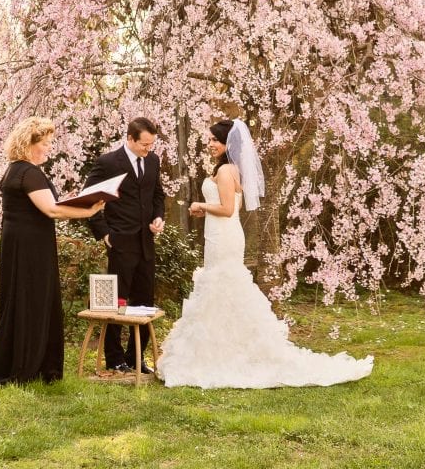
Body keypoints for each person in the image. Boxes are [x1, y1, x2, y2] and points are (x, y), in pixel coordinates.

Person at [158, 118, 374, 389]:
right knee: (221, 286)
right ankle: (225, 348)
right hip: (220, 234)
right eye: (209, 139)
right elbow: (229, 207)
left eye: (215, 140)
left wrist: (201, 205)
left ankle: (225, 354)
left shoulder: (225, 171)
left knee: (222, 284)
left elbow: (227, 209)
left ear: (228, 143)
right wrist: (206, 210)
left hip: (224, 238)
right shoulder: (229, 169)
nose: (210, 144)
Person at [0, 117, 103, 385]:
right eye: (45, 143)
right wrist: (88, 211)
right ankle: (29, 365)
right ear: (29, 144)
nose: (49, 148)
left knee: (21, 300)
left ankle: (20, 360)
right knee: (35, 300)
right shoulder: (29, 173)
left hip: (17, 243)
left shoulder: (13, 170)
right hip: (31, 245)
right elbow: (51, 209)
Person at [84, 116, 165, 373]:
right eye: (144, 144)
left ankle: (136, 358)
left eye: (151, 145)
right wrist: (104, 233)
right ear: (130, 138)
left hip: (146, 243)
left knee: (144, 302)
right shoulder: (108, 162)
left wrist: (158, 217)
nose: (148, 149)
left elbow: (157, 194)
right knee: (116, 303)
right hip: (120, 242)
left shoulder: (153, 160)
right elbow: (88, 198)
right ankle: (114, 358)